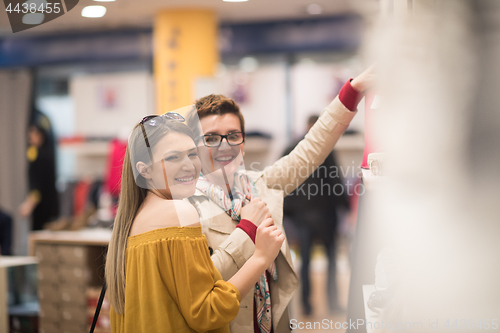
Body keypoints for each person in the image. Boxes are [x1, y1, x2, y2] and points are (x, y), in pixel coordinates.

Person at [186, 66, 374, 333]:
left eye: (233, 135)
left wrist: (353, 90)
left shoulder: (259, 184)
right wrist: (247, 230)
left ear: (242, 140)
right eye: (211, 138)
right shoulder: (186, 208)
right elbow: (199, 286)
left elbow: (312, 148)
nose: (224, 145)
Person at [105, 111, 284, 333]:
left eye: (192, 154)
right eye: (173, 157)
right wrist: (260, 258)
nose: (189, 165)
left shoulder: (133, 220)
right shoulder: (179, 213)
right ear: (145, 170)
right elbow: (207, 312)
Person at [282, 115, 350, 316]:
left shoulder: (293, 148)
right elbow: (336, 182)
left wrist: (288, 212)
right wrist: (345, 207)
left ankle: (307, 306)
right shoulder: (325, 150)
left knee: (307, 262)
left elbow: (283, 183)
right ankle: (331, 304)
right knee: (326, 261)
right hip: (322, 216)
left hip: (305, 217)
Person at [18, 111, 59, 230]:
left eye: (34, 133)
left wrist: (29, 203)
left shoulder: (40, 155)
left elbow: (38, 183)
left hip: (44, 205)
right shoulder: (45, 153)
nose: (30, 136)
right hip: (48, 204)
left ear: (41, 135)